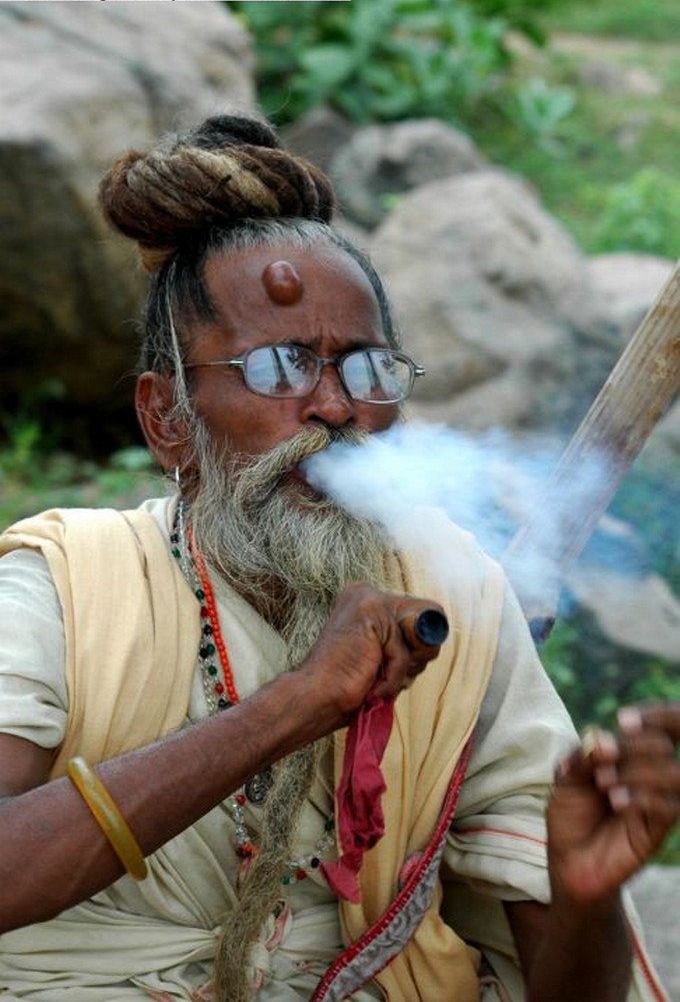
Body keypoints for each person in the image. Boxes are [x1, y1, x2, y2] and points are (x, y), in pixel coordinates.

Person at [0, 112, 678, 1002]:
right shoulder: (63, 585)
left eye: (367, 371)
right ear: (167, 417)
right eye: (280, 368)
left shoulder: (455, 597)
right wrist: (297, 704)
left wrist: (588, 896)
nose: (335, 408)